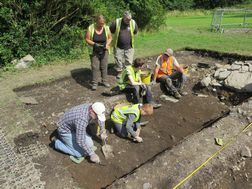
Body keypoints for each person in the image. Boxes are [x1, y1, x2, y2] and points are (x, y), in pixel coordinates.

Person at [86, 15, 112, 90]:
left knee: (104, 66)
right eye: (100, 24)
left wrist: (107, 44)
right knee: (95, 67)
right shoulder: (91, 28)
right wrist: (94, 44)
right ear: (96, 22)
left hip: (104, 50)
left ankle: (105, 81)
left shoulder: (106, 28)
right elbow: (87, 39)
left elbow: (110, 38)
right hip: (94, 50)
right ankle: (95, 83)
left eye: (103, 24)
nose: (101, 25)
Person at [110, 11, 138, 78]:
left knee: (129, 61)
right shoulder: (116, 22)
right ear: (123, 17)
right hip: (118, 46)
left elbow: (135, 31)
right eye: (127, 20)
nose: (129, 21)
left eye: (130, 19)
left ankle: (127, 72)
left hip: (129, 46)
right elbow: (111, 30)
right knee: (118, 60)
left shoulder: (133, 22)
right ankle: (120, 72)